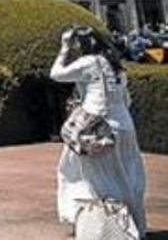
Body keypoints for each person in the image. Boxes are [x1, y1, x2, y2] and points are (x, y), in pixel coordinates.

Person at [51, 27, 146, 236]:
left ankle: (110, 230)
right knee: (128, 176)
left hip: (96, 131)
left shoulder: (90, 62)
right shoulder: (116, 66)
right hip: (124, 126)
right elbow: (126, 100)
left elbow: (56, 74)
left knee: (94, 180)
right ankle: (134, 225)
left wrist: (64, 48)